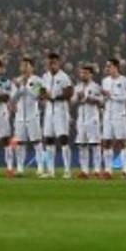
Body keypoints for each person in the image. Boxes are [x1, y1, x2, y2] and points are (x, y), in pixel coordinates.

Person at [40, 51, 74, 179]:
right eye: (49, 63)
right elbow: (42, 91)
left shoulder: (64, 77)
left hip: (61, 111)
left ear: (58, 63)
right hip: (49, 111)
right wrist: (44, 95)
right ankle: (50, 171)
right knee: (48, 140)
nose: (51, 65)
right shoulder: (45, 76)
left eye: (53, 63)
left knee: (63, 139)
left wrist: (54, 97)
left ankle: (67, 170)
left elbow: (69, 93)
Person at [10, 57, 45, 177]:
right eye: (22, 65)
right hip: (19, 116)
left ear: (32, 67)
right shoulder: (16, 81)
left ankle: (40, 167)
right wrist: (19, 89)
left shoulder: (37, 81)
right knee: (20, 143)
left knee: (36, 142)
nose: (24, 68)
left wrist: (25, 87)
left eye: (26, 65)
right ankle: (20, 168)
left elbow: (38, 96)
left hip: (33, 115)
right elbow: (12, 99)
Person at [100, 58, 126, 179]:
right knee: (106, 142)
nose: (108, 69)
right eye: (107, 66)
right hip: (108, 115)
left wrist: (111, 95)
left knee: (122, 142)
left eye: (110, 66)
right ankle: (108, 171)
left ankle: (125, 170)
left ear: (116, 67)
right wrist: (103, 100)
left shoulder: (125, 81)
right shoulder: (105, 81)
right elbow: (104, 98)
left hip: (120, 115)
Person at [72, 64, 103, 179]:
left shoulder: (96, 87)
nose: (82, 75)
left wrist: (91, 99)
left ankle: (96, 169)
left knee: (95, 145)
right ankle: (84, 170)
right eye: (81, 73)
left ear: (91, 74)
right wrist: (77, 99)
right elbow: (73, 102)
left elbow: (101, 102)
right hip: (81, 118)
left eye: (85, 73)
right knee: (82, 145)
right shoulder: (78, 87)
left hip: (92, 118)